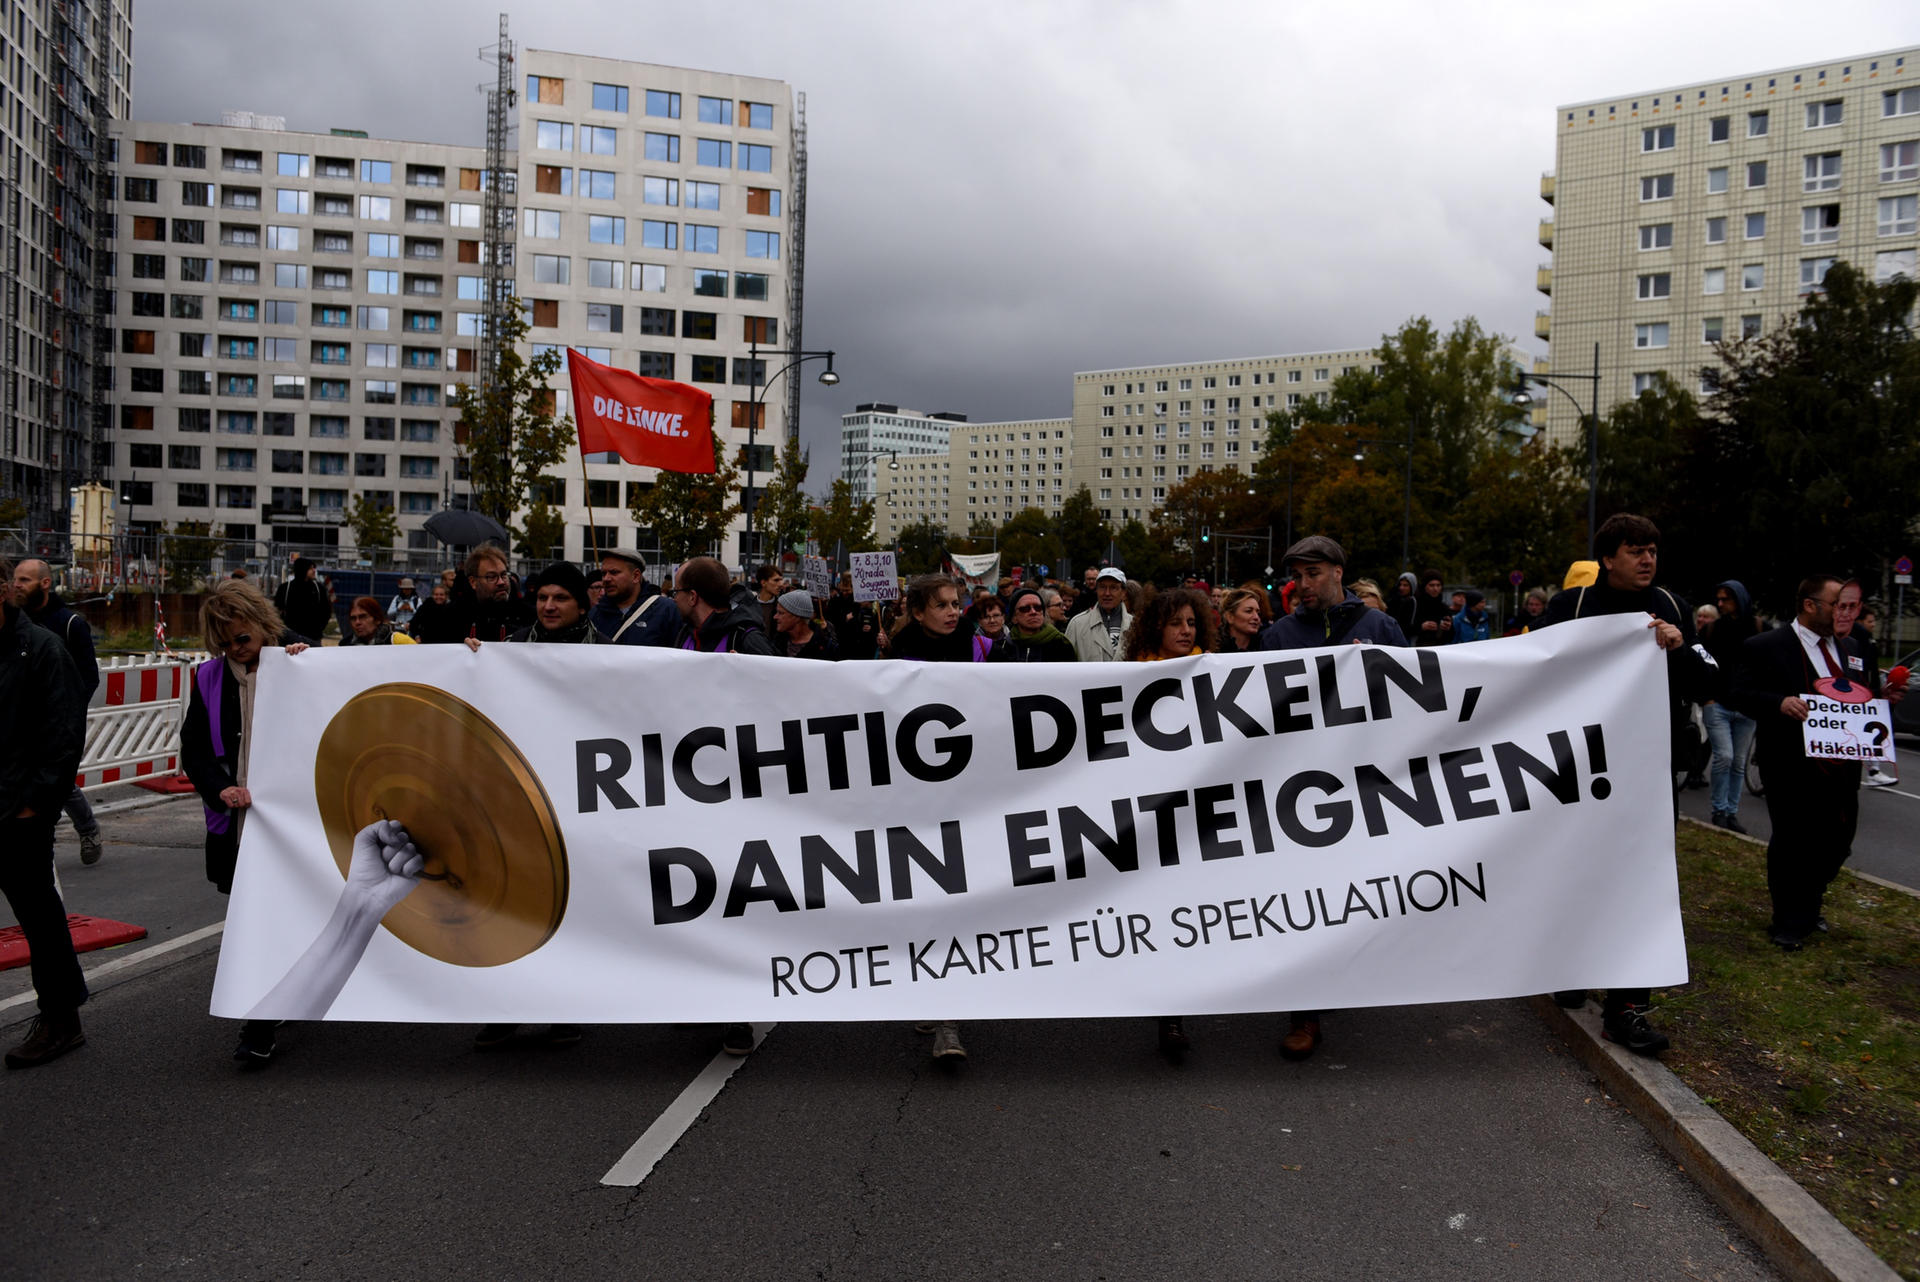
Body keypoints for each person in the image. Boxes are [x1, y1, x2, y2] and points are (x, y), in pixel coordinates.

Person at [1536, 513, 1715, 1055]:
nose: (1647, 560)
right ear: (1607, 558)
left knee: (1641, 884)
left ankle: (1627, 1008)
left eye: (1653, 551)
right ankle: (1571, 965)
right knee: (1578, 871)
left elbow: (1711, 682)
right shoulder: (1572, 609)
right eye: (1635, 550)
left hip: (1646, 776)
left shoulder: (1673, 606)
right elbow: (1527, 675)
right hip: (1581, 772)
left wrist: (1679, 646)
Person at [1253, 536, 1406, 1063]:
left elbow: (1414, 700)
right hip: (1298, 792)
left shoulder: (1379, 629)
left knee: (1354, 895)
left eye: (1314, 572)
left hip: (1362, 787)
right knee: (1305, 900)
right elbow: (1255, 711)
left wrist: (1376, 674)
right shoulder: (1278, 635)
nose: (1304, 583)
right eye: (1298, 574)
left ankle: (1347, 979)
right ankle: (1305, 1014)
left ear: (1340, 571)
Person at [1730, 575, 1905, 950]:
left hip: (1841, 766)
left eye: (1851, 606)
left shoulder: (1854, 646)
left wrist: (1882, 698)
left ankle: (1810, 903)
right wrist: (1778, 703)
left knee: (1838, 839)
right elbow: (1738, 691)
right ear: (1810, 605)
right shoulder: (1768, 646)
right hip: (1790, 762)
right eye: (1838, 605)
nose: (1847, 613)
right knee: (1793, 840)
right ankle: (1789, 920)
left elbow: (1861, 696)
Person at [466, 563, 600, 1051]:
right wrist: (473, 664)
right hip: (520, 800)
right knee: (514, 906)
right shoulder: (511, 650)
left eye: (561, 598)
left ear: (582, 605)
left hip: (581, 801)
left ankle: (565, 1007)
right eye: (543, 596)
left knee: (570, 909)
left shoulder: (609, 654)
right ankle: (509, 1007)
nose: (548, 606)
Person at [180, 579, 312, 1065]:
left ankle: (264, 1017)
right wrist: (221, 788)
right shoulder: (209, 679)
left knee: (280, 917)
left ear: (263, 625)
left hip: (297, 821)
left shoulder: (301, 661)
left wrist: (311, 664)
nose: (237, 651)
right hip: (238, 823)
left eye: (243, 639)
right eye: (225, 644)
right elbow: (193, 749)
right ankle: (263, 1015)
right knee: (255, 920)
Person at [888, 574, 997, 1061]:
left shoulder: (985, 649)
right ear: (917, 612)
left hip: (973, 796)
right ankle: (932, 992)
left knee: (958, 900)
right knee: (926, 900)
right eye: (942, 605)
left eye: (957, 603)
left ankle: (948, 1018)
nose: (954, 611)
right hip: (915, 798)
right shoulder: (894, 656)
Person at [0, 558, 90, 1069]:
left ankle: (61, 1019)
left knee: (39, 919)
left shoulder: (41, 648)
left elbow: (64, 734)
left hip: (19, 813)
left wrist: (36, 804)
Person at [13, 558, 104, 866]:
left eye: (25, 580)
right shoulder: (13, 622)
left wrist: (68, 715)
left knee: (57, 783)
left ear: (45, 583)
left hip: (57, 724)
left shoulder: (70, 624)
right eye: (15, 580)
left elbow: (88, 676)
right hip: (18, 722)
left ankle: (86, 829)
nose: (17, 586)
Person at [1699, 581, 1760, 829]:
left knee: (1738, 761)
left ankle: (1731, 811)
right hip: (1719, 704)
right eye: (1719, 599)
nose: (1721, 604)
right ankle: (1719, 810)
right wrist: (1707, 698)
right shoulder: (1713, 630)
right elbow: (1700, 663)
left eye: (1727, 599)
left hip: (1747, 706)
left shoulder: (1757, 628)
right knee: (1724, 756)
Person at [1835, 580, 1896, 788]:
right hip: (1846, 697)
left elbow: (1866, 667)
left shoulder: (1863, 640)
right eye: (1870, 621)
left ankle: (1873, 770)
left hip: (1863, 695)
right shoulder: (1848, 638)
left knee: (1865, 733)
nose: (1873, 624)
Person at [673, 557, 775, 656]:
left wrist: (745, 670)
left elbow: (774, 672)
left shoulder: (747, 639)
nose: (674, 599)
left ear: (692, 597)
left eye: (676, 592)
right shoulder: (686, 633)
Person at [589, 548, 681, 647]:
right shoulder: (594, 615)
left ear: (636, 576)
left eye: (614, 572)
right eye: (604, 574)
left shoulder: (665, 610)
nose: (606, 579)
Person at [1065, 567, 1132, 663]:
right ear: (1096, 590)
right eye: (1102, 587)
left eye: (1113, 587)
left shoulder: (1135, 626)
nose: (1107, 593)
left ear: (1123, 592)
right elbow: (1066, 666)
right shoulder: (1077, 625)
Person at [993, 586, 1075, 663]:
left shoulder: (1061, 644)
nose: (1033, 612)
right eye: (1025, 609)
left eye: (1038, 608)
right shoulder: (1003, 647)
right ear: (1014, 618)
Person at [272, 556, 332, 642]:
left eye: (314, 568)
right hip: (290, 638)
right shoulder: (285, 588)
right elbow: (277, 611)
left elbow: (326, 611)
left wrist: (319, 628)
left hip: (313, 637)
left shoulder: (318, 588)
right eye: (311, 568)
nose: (314, 570)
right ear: (303, 569)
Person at [772, 589, 839, 660]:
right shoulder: (778, 641)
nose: (775, 617)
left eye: (781, 613)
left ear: (797, 616)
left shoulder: (825, 647)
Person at [341, 597, 419, 646]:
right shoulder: (345, 645)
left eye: (363, 617)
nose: (357, 622)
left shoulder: (397, 642)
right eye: (353, 618)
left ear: (377, 619)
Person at [1214, 585, 1268, 653]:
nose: (1256, 617)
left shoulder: (1266, 646)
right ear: (1230, 617)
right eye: (1248, 611)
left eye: (1258, 613)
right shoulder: (1213, 649)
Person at [1410, 571, 1453, 646]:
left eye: (1438, 585)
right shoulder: (1414, 604)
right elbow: (1403, 628)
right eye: (1431, 585)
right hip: (1416, 648)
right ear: (1424, 586)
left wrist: (1447, 627)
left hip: (1439, 649)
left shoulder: (1444, 608)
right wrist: (1421, 627)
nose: (1435, 589)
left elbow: (1451, 636)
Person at [753, 564, 787, 633]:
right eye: (776, 580)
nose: (781, 584)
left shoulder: (783, 606)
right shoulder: (748, 606)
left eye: (781, 580)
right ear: (763, 583)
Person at [1387, 572, 1419, 639]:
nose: (1401, 588)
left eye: (1405, 585)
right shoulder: (1393, 599)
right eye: (1400, 585)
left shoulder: (1413, 601)